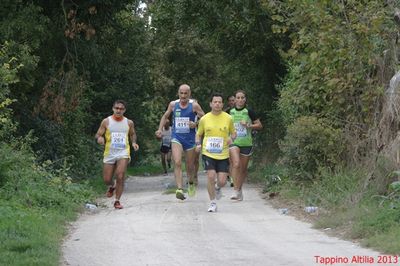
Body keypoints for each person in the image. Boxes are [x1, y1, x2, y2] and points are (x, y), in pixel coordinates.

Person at [155, 84, 205, 200]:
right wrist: (159, 129)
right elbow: (165, 116)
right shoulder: (173, 104)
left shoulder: (194, 105)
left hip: (190, 138)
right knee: (177, 161)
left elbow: (205, 117)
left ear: (189, 94)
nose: (183, 96)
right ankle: (179, 189)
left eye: (185, 93)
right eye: (181, 93)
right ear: (178, 93)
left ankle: (191, 182)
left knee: (189, 166)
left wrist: (196, 124)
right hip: (176, 137)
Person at [95, 100, 140, 209]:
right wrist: (100, 139)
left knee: (120, 175)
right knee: (106, 179)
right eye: (117, 108)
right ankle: (112, 186)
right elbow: (98, 134)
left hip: (123, 152)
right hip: (109, 152)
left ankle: (117, 201)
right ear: (113, 108)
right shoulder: (106, 121)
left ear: (124, 110)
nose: (118, 110)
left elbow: (133, 134)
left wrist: (133, 142)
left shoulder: (129, 122)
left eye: (121, 109)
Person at [196, 93, 236, 212]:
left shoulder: (228, 118)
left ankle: (218, 188)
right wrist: (198, 144)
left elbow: (234, 133)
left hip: (223, 153)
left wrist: (231, 139)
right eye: (215, 102)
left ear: (222, 104)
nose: (217, 104)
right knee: (211, 176)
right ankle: (213, 203)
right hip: (208, 153)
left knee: (222, 181)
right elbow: (198, 134)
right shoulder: (204, 119)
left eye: (219, 102)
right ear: (211, 104)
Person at [229, 90, 262, 201]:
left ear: (245, 99)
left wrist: (248, 125)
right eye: (238, 98)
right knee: (236, 164)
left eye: (242, 97)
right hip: (234, 142)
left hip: (246, 143)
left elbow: (259, 125)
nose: (240, 100)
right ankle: (235, 190)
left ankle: (239, 190)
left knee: (243, 169)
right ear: (234, 100)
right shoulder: (230, 112)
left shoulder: (249, 111)